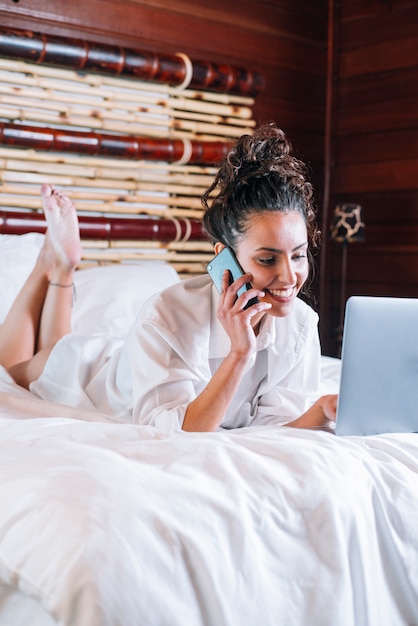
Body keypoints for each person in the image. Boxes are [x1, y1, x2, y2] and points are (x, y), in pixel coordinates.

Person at [4, 124, 337, 432]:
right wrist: (239, 354)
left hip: (132, 360)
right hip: (89, 377)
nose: (290, 276)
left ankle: (60, 265)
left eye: (297, 254)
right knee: (12, 366)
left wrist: (321, 412)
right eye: (268, 259)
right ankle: (52, 262)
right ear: (226, 258)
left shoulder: (300, 326)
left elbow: (273, 434)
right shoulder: (167, 315)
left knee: (49, 344)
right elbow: (178, 436)